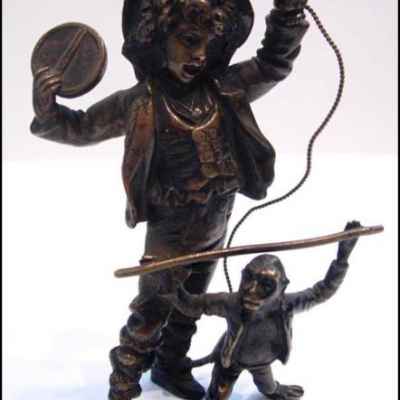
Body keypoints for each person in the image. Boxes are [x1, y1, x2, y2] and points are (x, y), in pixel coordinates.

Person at [30, 1, 309, 398]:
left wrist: (287, 15)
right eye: (190, 41)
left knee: (190, 305)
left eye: (209, 43)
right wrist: (47, 110)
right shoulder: (140, 102)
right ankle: (124, 383)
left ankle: (170, 365)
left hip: (218, 220)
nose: (200, 55)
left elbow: (273, 64)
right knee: (151, 310)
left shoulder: (226, 87)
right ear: (158, 40)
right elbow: (83, 127)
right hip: (171, 232)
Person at [165, 221, 361, 400]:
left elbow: (321, 292)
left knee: (268, 388)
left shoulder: (286, 305)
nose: (251, 291)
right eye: (247, 278)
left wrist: (342, 259)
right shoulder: (231, 303)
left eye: (266, 285)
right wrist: (172, 284)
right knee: (218, 396)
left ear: (282, 287)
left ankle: (274, 390)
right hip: (231, 363)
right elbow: (192, 305)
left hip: (262, 363)